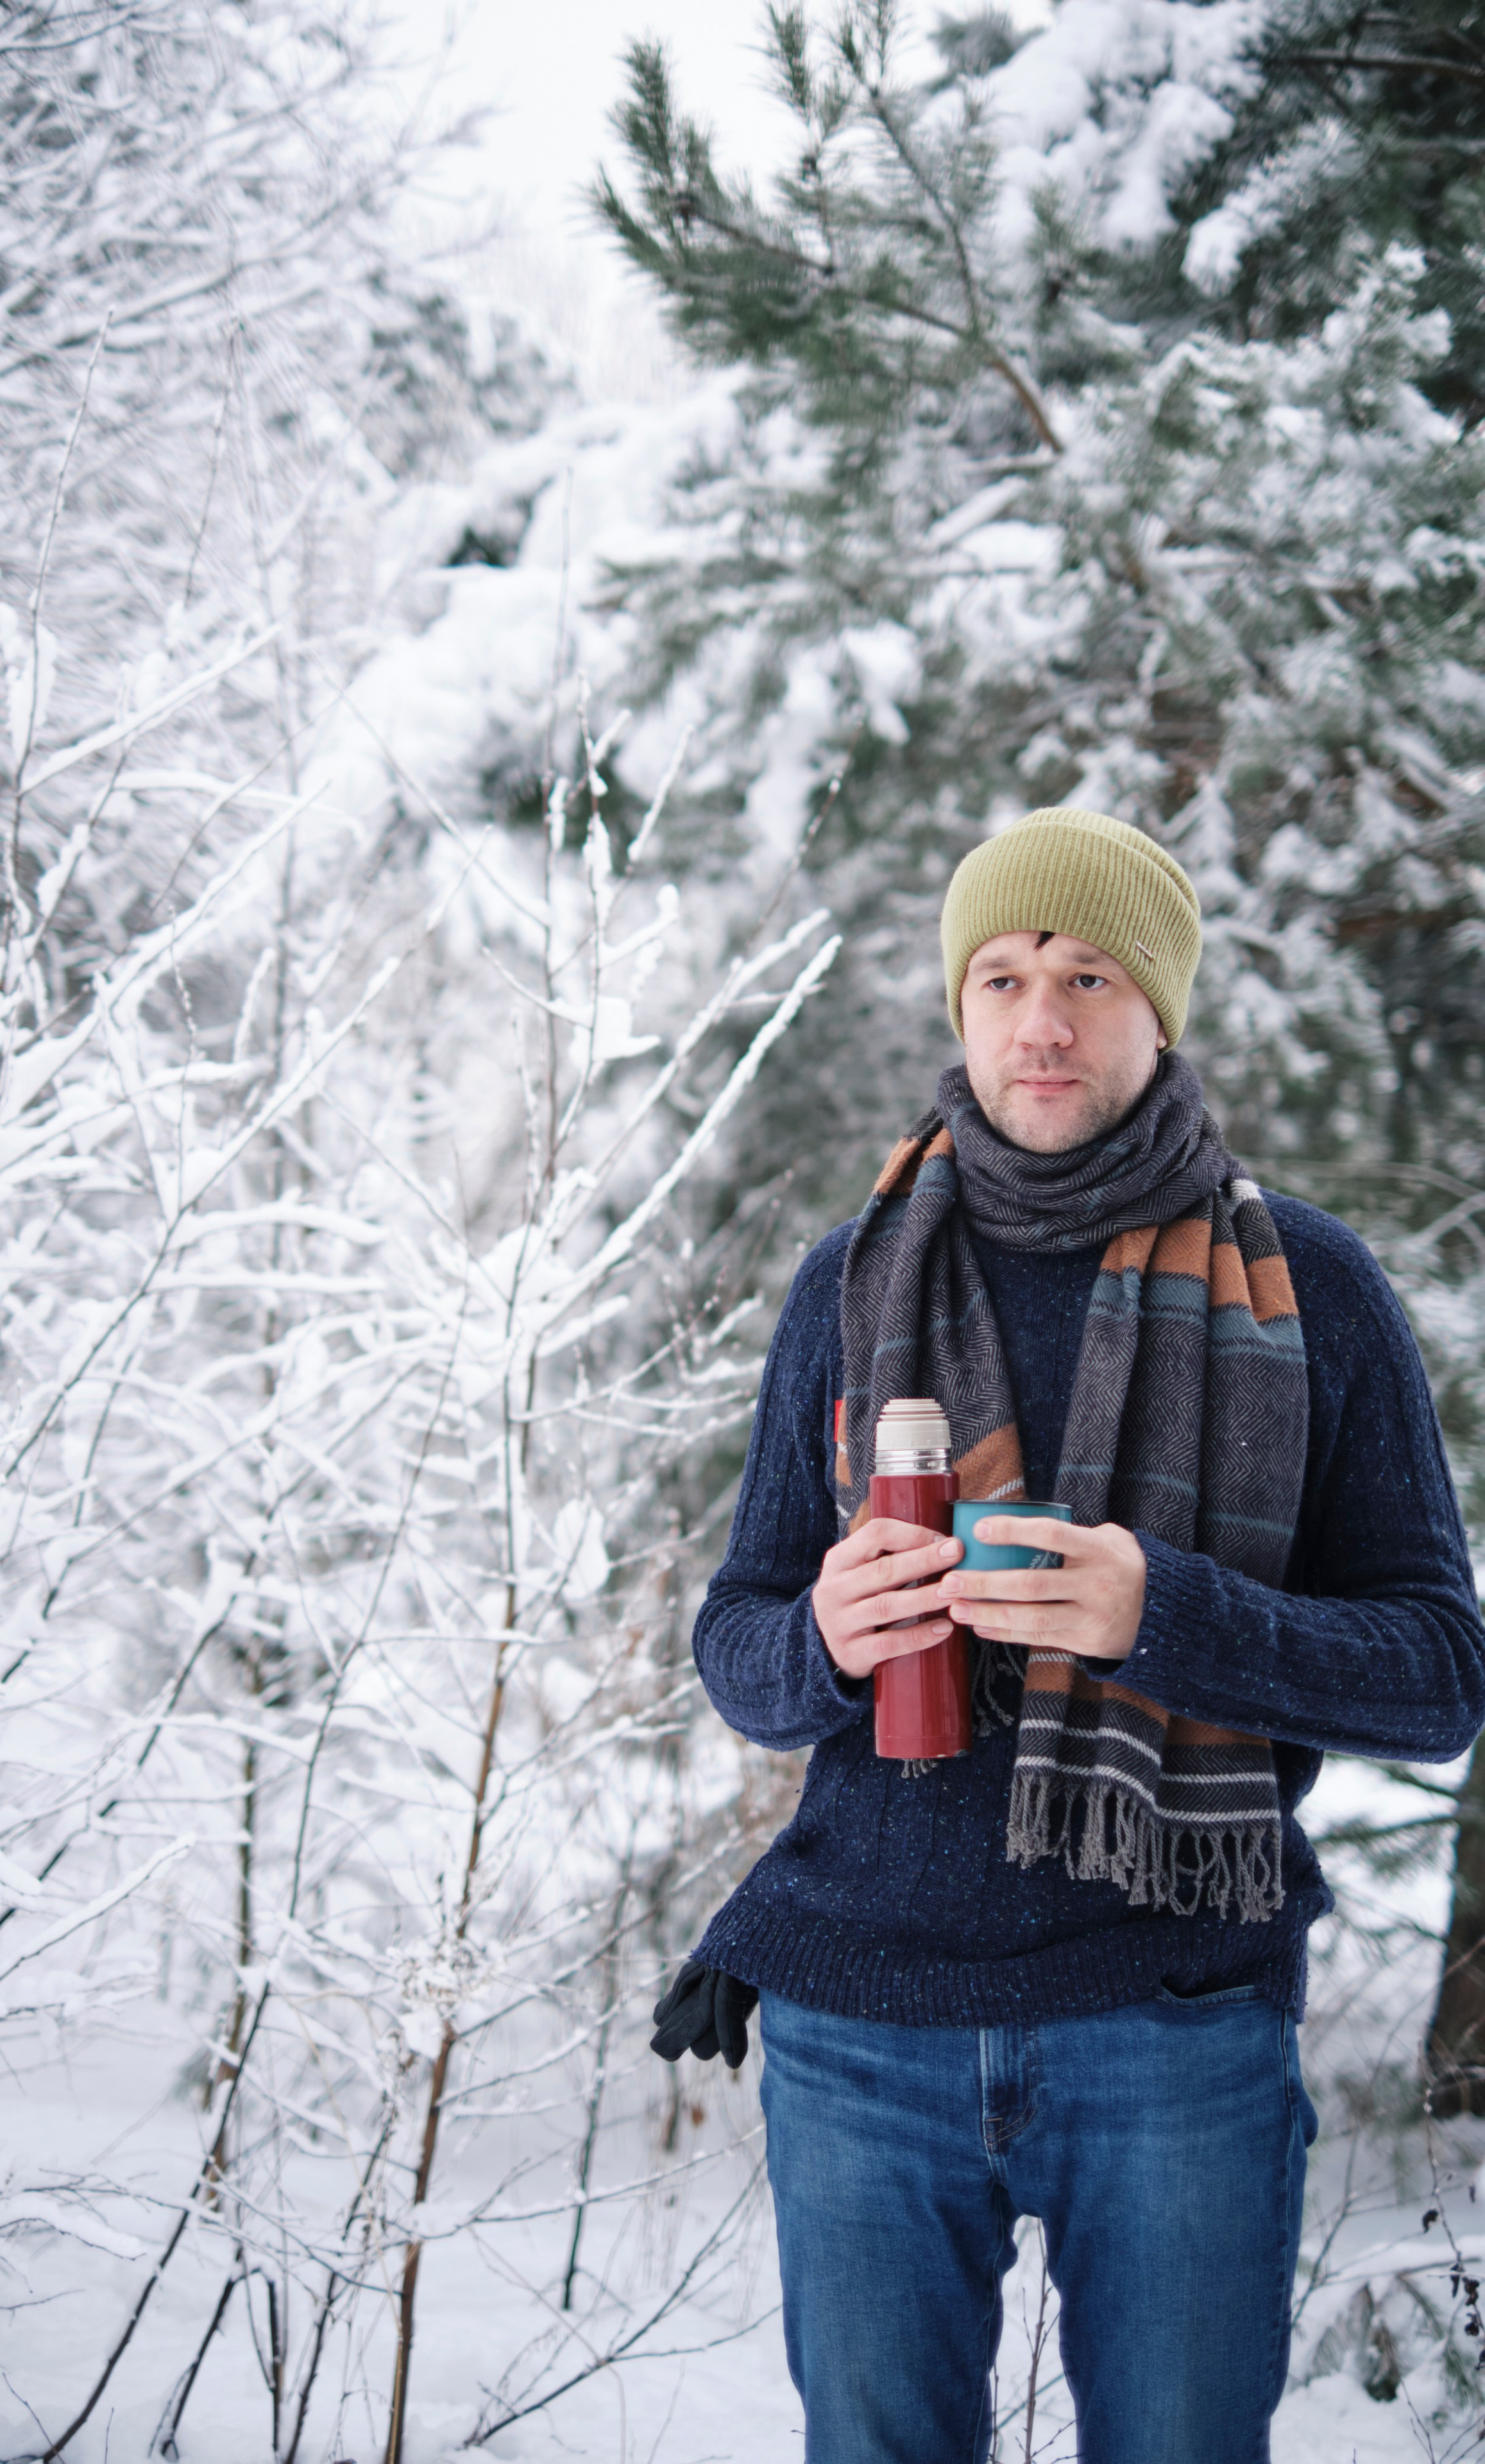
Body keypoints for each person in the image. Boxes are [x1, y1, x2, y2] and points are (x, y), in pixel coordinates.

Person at [651, 805, 1485, 2464]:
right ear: (960, 1008)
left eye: (1090, 975)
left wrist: (1161, 1615)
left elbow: (1440, 1675)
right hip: (860, 2022)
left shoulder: (1307, 1287)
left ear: (1158, 1009)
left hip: (1168, 2020)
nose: (1043, 1017)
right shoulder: (852, 1279)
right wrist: (820, 1631)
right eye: (1005, 975)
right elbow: (739, 1642)